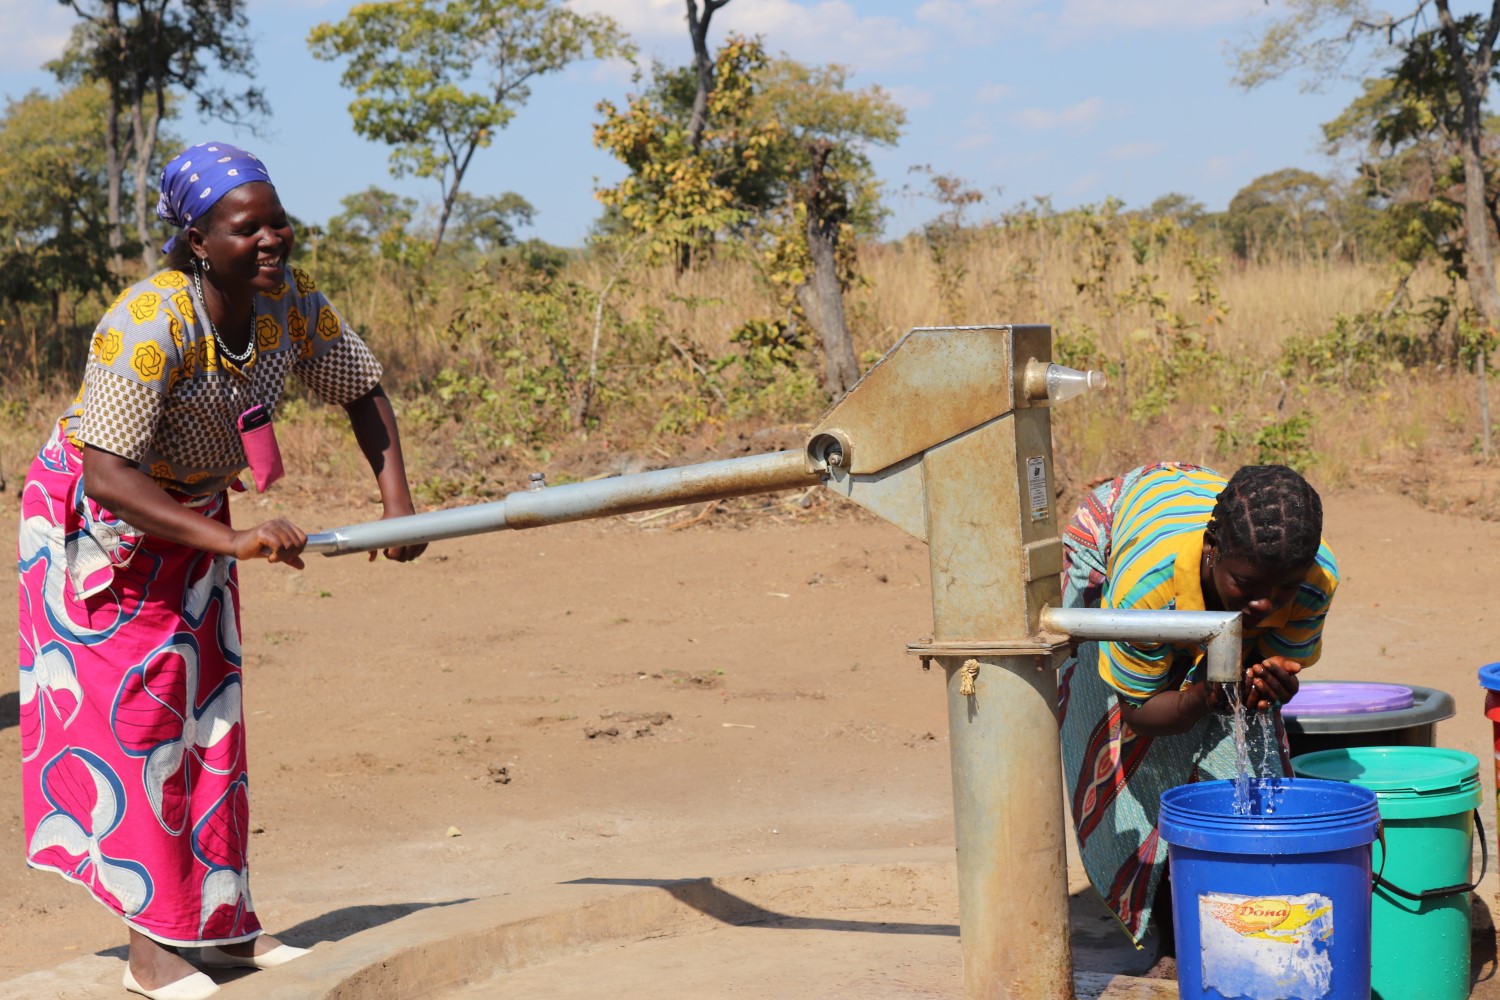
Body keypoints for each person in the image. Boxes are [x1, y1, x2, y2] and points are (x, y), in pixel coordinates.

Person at [17, 141, 426, 1000]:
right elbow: (106, 473)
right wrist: (232, 542)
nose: (274, 239)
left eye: (278, 221)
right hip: (98, 527)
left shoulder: (289, 307)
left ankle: (223, 925)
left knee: (212, 715)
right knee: (144, 723)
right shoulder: (148, 321)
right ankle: (152, 950)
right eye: (250, 228)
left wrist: (399, 503)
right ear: (199, 240)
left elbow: (361, 388)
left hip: (194, 514)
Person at [1056, 462, 1338, 949]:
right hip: (1116, 533)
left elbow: (1268, 672)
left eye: (1282, 591)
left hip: (1196, 521)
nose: (1266, 606)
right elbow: (1138, 712)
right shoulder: (1146, 591)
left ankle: (1235, 918)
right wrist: (1201, 696)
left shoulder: (1313, 579)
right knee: (1122, 755)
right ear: (1212, 549)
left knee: (1246, 748)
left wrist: (1267, 688)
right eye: (1246, 588)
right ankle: (1164, 931)